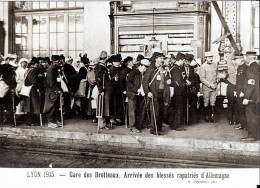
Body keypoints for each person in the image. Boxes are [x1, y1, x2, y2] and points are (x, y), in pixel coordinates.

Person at [143, 53, 170, 135]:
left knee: (161, 111)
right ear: (156, 59)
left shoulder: (163, 68)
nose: (162, 60)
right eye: (161, 58)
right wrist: (148, 92)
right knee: (155, 111)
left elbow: (166, 78)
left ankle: (159, 129)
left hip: (163, 92)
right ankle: (153, 130)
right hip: (154, 92)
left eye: (163, 58)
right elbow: (145, 82)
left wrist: (168, 80)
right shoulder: (151, 69)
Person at [126, 59, 149, 133]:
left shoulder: (142, 73)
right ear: (141, 65)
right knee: (132, 111)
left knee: (139, 110)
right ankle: (132, 127)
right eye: (144, 68)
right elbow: (128, 82)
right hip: (132, 94)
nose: (145, 70)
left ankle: (139, 125)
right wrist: (136, 90)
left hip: (140, 95)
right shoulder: (134, 72)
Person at [241, 51, 259, 141]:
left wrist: (246, 98)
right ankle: (257, 135)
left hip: (252, 98)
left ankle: (252, 135)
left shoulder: (250, 69)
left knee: (250, 115)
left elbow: (251, 85)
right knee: (256, 116)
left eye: (245, 57)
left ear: (248, 58)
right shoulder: (257, 67)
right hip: (257, 97)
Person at [23, 58, 45, 126]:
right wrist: (39, 87)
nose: (37, 65)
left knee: (30, 106)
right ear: (34, 64)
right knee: (34, 106)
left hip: (28, 89)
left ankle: (30, 121)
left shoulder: (28, 70)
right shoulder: (33, 71)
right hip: (33, 90)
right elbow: (34, 81)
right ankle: (32, 121)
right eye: (37, 64)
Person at [43, 55, 63, 128]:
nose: (58, 62)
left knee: (56, 106)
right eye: (57, 61)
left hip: (55, 91)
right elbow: (50, 82)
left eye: (59, 61)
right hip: (51, 91)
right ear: (53, 62)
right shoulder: (51, 69)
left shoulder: (56, 69)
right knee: (51, 106)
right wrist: (57, 89)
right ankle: (50, 121)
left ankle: (55, 120)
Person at [168, 52, 186, 131]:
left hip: (176, 92)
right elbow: (177, 82)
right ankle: (175, 125)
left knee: (174, 108)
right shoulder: (176, 69)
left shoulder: (175, 68)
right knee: (177, 109)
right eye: (183, 60)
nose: (183, 62)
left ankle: (173, 124)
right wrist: (183, 84)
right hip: (177, 92)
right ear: (180, 60)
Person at [199, 51, 218, 123]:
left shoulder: (215, 65)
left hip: (214, 87)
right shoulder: (203, 66)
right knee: (206, 102)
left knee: (213, 102)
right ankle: (207, 116)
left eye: (212, 57)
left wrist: (217, 79)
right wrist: (210, 85)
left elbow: (216, 74)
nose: (211, 59)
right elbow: (202, 78)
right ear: (206, 58)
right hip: (207, 88)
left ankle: (212, 116)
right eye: (209, 57)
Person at [182, 53, 200, 125]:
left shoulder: (192, 69)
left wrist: (191, 83)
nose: (187, 63)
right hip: (183, 89)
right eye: (186, 61)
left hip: (191, 90)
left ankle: (190, 120)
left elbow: (195, 80)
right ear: (184, 61)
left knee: (192, 104)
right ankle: (183, 120)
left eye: (189, 62)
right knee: (183, 105)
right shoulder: (181, 68)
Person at [0, 54, 18, 126]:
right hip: (2, 88)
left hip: (10, 89)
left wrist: (13, 86)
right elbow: (4, 78)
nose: (13, 62)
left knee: (11, 104)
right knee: (2, 104)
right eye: (11, 60)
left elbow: (13, 79)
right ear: (7, 60)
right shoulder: (2, 67)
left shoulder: (12, 68)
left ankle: (9, 120)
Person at [234, 54, 247, 130]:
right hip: (239, 91)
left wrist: (243, 91)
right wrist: (236, 90)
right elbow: (238, 81)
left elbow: (245, 82)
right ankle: (242, 123)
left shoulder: (245, 68)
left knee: (243, 108)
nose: (235, 61)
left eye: (236, 60)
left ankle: (244, 125)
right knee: (240, 108)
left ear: (241, 59)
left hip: (242, 92)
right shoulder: (239, 67)